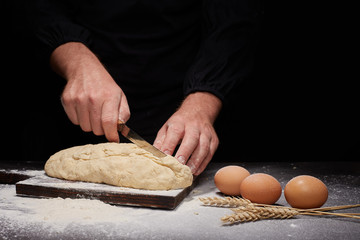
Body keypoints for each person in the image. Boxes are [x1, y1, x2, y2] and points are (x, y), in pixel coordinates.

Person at [33, 0, 262, 175]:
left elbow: (235, 19)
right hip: (71, 117)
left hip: (184, 93)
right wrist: (75, 60)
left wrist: (203, 101)